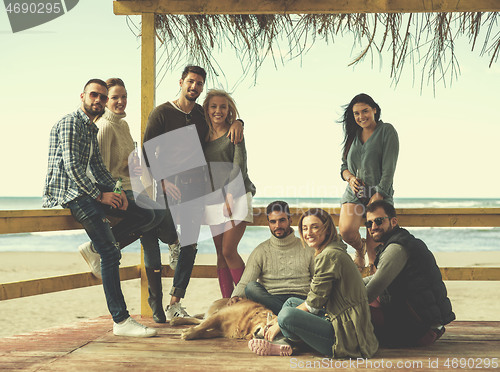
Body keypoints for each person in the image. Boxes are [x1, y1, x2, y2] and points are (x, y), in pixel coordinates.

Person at [42, 79, 156, 337]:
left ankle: (94, 249)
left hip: (87, 192)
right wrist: (100, 196)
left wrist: (116, 191)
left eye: (103, 97)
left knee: (145, 213)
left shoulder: (91, 129)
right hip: (70, 193)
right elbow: (72, 169)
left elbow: (98, 168)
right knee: (111, 252)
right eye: (94, 95)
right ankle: (121, 320)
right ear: (83, 96)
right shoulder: (72, 123)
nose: (99, 100)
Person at [141, 65, 244, 320]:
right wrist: (161, 181)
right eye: (190, 82)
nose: (194, 87)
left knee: (191, 245)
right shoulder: (162, 113)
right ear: (181, 82)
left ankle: (175, 302)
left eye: (199, 83)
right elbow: (145, 151)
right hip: (168, 185)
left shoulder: (201, 114)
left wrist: (240, 121)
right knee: (157, 235)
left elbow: (224, 120)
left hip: (196, 187)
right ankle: (156, 301)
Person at [248, 208, 378, 358]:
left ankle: (283, 341)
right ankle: (284, 342)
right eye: (304, 228)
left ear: (327, 229)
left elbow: (314, 304)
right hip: (337, 318)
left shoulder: (329, 256)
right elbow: (317, 299)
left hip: (347, 337)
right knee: (291, 303)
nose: (308, 233)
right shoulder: (331, 249)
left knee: (286, 316)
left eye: (315, 227)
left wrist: (278, 322)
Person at [91, 77, 167, 323]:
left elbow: (124, 165)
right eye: (115, 98)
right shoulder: (105, 126)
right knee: (152, 215)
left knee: (156, 215)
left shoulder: (123, 126)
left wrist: (132, 167)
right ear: (105, 101)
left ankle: (100, 248)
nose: (121, 101)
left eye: (123, 97)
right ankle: (100, 248)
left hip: (127, 186)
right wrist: (112, 194)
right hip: (114, 190)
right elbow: (99, 168)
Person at [363, 200, 455, 347]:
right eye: (369, 224)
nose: (373, 227)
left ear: (393, 221)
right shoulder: (405, 241)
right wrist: (352, 283)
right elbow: (377, 278)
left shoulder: (396, 248)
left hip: (419, 331)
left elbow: (369, 293)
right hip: (429, 324)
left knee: (353, 312)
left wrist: (337, 302)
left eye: (378, 221)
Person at [202, 89, 256, 298]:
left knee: (228, 251)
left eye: (223, 107)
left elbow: (238, 166)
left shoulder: (235, 133)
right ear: (206, 109)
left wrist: (230, 196)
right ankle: (227, 302)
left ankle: (245, 299)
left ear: (229, 110)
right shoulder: (202, 135)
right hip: (212, 198)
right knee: (219, 254)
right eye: (213, 106)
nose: (218, 111)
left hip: (237, 195)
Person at [338, 93, 399, 273]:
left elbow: (389, 169)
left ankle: (374, 297)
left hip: (379, 193)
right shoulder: (352, 134)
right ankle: (359, 248)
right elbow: (343, 167)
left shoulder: (387, 131)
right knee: (346, 231)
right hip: (354, 194)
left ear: (374, 110)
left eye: (365, 111)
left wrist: (378, 196)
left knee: (375, 256)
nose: (361, 116)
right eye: (356, 113)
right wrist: (350, 178)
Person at [228, 201, 314, 315]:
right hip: (271, 300)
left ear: (290, 220)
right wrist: (235, 296)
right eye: (273, 222)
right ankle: (291, 314)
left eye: (282, 220)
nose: (277, 226)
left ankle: (288, 314)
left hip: (300, 300)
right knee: (251, 288)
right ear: (268, 223)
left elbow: (318, 279)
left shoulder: (308, 248)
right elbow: (245, 282)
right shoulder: (260, 251)